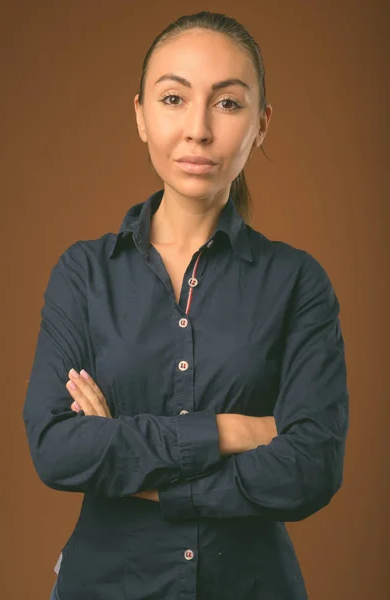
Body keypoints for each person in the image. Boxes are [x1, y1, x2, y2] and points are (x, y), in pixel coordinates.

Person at [23, 10, 349, 600]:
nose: (198, 129)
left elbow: (312, 468)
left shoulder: (298, 282)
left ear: (262, 124)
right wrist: (237, 430)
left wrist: (132, 463)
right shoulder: (83, 273)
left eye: (227, 104)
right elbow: (57, 449)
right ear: (141, 116)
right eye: (174, 98)